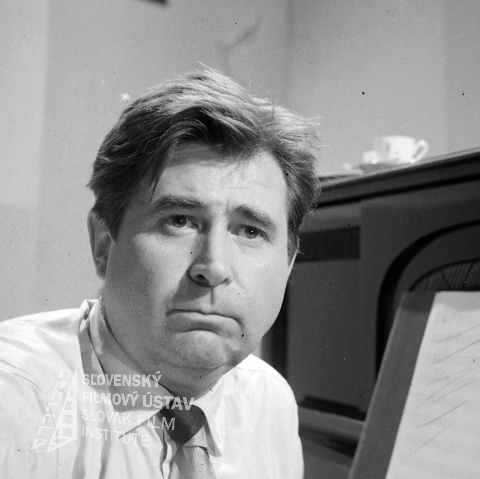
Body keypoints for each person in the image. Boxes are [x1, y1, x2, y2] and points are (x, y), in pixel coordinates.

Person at [0, 69, 319, 478]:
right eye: (180, 221)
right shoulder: (13, 404)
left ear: (288, 264)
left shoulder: (270, 401)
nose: (213, 267)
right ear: (103, 244)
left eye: (251, 231)